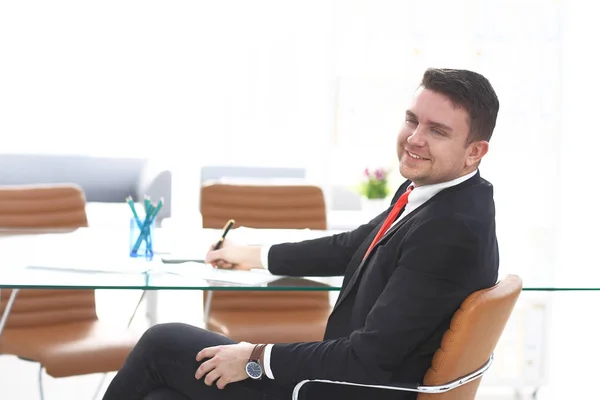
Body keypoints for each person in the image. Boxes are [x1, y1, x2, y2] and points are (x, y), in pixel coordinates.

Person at [102, 68, 500, 400]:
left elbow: (369, 357)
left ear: (474, 151)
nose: (414, 138)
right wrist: (254, 254)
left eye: (437, 131)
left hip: (345, 388)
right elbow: (353, 246)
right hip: (346, 378)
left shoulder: (451, 232)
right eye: (412, 120)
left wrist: (255, 357)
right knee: (162, 395)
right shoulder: (442, 195)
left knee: (161, 342)